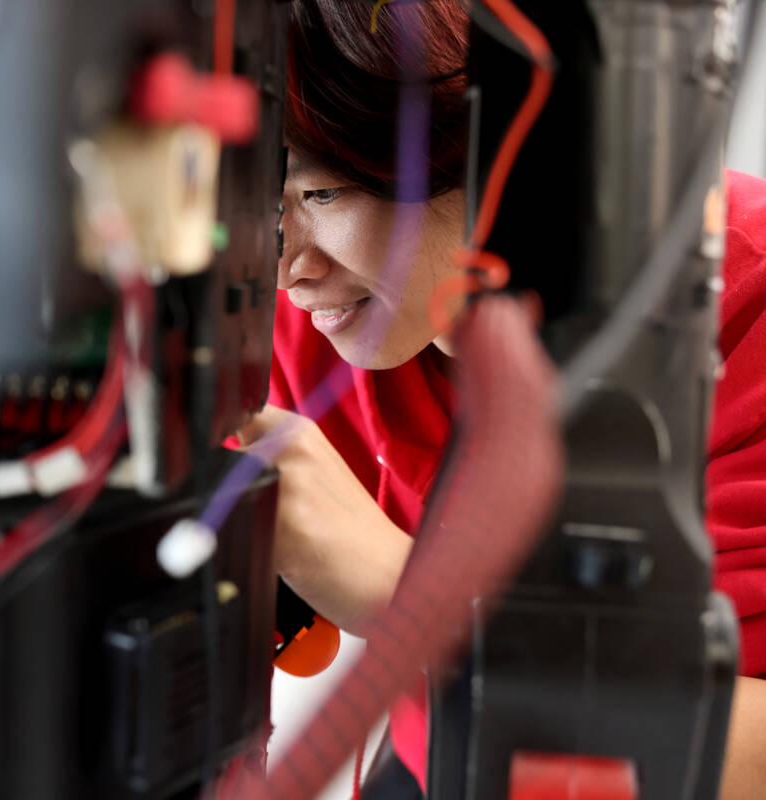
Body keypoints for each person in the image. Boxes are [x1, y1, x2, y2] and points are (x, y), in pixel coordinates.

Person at [237, 1, 766, 797]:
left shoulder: (740, 316)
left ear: (492, 140)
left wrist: (401, 592)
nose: (289, 271)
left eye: (324, 194)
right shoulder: (332, 322)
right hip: (450, 749)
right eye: (267, 202)